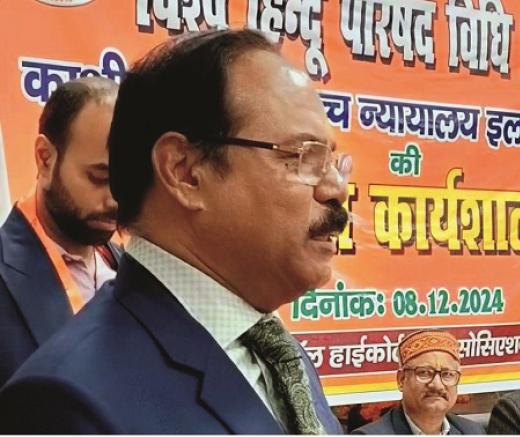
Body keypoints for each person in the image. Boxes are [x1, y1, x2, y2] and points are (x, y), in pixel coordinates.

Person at [0, 29, 351, 433]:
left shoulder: (279, 356)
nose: (336, 188)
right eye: (302, 156)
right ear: (184, 172)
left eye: (331, 161)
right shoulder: (67, 403)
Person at [0, 77, 121, 387]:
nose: (115, 200)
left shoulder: (132, 271)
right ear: (45, 158)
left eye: (127, 181)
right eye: (99, 178)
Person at [352, 330, 485, 435]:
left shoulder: (472, 431)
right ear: (401, 380)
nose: (437, 385)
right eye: (424, 373)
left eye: (447, 374)